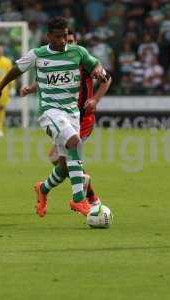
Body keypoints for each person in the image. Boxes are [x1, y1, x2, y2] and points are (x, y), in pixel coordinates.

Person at [0, 17, 108, 217]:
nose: (63, 40)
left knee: (63, 167)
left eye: (65, 36)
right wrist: (0, 87)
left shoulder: (78, 52)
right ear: (49, 36)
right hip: (50, 112)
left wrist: (98, 71)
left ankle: (42, 189)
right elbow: (15, 70)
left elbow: (96, 66)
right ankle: (79, 200)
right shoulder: (37, 55)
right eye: (58, 36)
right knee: (74, 142)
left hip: (72, 114)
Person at [20, 29, 112, 208]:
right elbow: (49, 79)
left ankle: (91, 199)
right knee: (61, 162)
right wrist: (31, 88)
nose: (65, 43)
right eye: (64, 39)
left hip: (81, 119)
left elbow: (107, 79)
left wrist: (95, 99)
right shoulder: (57, 59)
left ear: (76, 42)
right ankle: (45, 189)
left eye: (70, 40)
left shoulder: (82, 62)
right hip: (61, 117)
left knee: (66, 157)